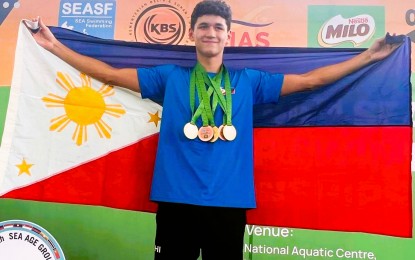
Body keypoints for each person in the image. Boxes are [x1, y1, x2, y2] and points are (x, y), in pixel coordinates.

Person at [27, 0, 400, 259]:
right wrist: (55, 46)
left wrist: (367, 56)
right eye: (204, 26)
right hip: (176, 200)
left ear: (228, 36)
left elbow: (308, 80)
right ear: (193, 33)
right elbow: (109, 74)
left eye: (218, 27)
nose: (211, 32)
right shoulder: (169, 77)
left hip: (229, 202)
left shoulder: (248, 80)